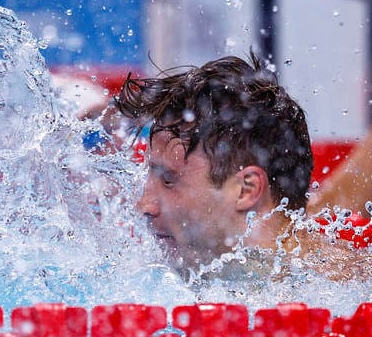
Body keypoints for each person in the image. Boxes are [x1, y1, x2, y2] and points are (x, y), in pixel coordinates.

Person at [111, 53, 355, 280]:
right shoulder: (180, 273)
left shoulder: (340, 290)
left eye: (169, 180)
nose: (143, 205)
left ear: (246, 189)